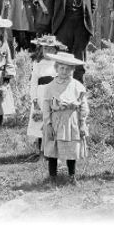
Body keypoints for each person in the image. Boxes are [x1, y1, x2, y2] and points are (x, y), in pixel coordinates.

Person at [40, 52, 89, 187]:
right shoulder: (50, 86)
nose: (64, 71)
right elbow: (45, 107)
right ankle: (52, 178)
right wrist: (48, 124)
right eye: (61, 68)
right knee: (53, 150)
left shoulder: (77, 85)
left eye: (68, 69)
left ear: (72, 70)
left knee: (71, 150)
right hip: (56, 121)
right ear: (56, 68)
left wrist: (82, 123)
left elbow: (83, 106)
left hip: (71, 120)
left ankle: (72, 177)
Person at [48, 0, 99, 80]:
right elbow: (50, 6)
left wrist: (84, 18)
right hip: (63, 26)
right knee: (63, 57)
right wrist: (57, 21)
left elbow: (93, 5)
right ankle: (61, 86)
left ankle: (78, 88)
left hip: (81, 26)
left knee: (79, 57)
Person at [26, 36, 64, 152]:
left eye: (51, 49)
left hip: (53, 96)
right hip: (41, 96)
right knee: (39, 122)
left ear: (56, 50)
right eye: (45, 49)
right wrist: (34, 99)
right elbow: (33, 83)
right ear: (41, 50)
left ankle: (52, 149)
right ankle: (40, 149)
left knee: (52, 121)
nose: (48, 51)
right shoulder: (38, 64)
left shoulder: (58, 64)